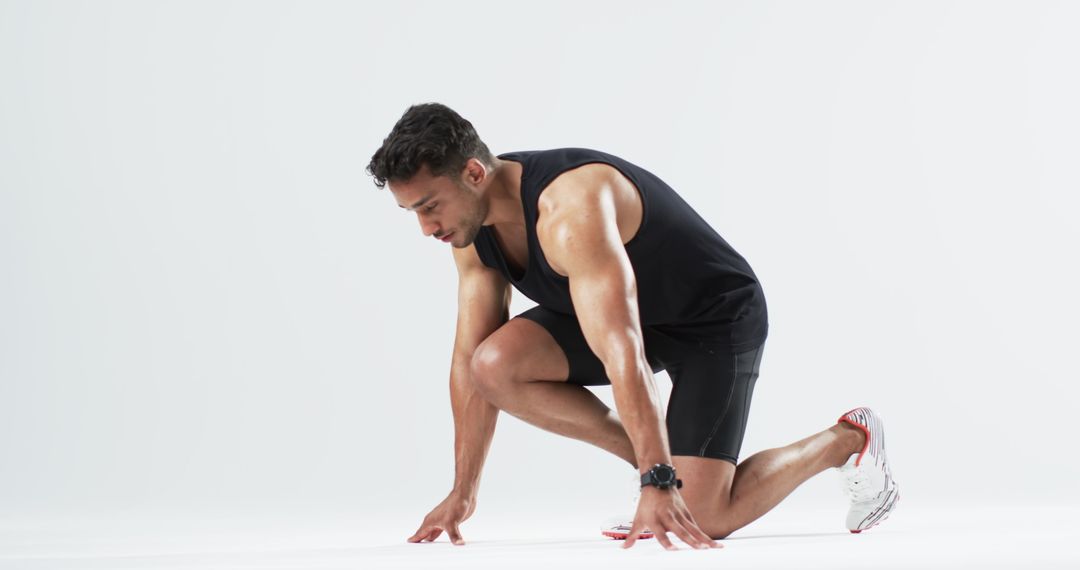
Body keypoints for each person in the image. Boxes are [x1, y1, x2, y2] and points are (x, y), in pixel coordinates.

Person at [365, 102, 899, 551]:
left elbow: (622, 347)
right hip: (637, 317)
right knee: (493, 364)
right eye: (412, 211)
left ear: (474, 174)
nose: (426, 227)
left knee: (707, 517)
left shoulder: (569, 210)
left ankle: (847, 438)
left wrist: (659, 479)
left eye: (430, 206)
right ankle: (665, 473)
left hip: (713, 318)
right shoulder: (470, 231)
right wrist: (463, 490)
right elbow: (467, 361)